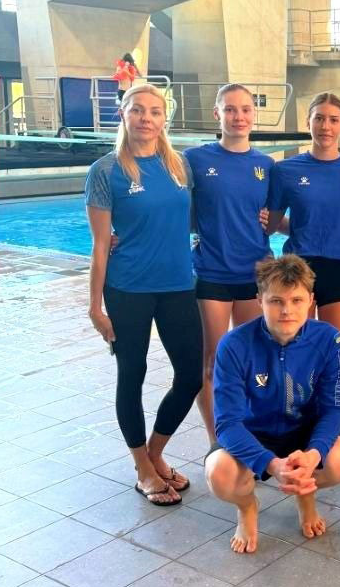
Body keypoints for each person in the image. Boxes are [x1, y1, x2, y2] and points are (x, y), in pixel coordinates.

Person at [85, 83, 200, 506]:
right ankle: (142, 468)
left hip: (178, 285)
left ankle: (154, 453)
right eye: (137, 110)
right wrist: (94, 306)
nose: (145, 118)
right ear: (123, 114)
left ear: (164, 118)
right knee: (131, 374)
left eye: (154, 111)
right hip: (128, 288)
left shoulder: (180, 166)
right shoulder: (105, 171)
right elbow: (100, 244)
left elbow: (192, 219)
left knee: (190, 375)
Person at [205, 255, 340, 551]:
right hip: (254, 433)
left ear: (311, 301)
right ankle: (247, 506)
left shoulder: (328, 339)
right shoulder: (234, 345)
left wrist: (312, 455)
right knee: (219, 474)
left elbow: (333, 410)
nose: (287, 310)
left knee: (339, 462)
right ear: (259, 300)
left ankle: (305, 492)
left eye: (296, 300)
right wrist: (271, 463)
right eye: (276, 301)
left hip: (303, 432)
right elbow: (227, 423)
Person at [183, 84, 275, 445]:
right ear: (217, 114)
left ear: (254, 114)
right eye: (230, 109)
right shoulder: (194, 159)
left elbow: (275, 215)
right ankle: (217, 442)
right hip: (212, 273)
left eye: (246, 109)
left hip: (255, 273)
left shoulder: (266, 165)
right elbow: (173, 206)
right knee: (213, 361)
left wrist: (269, 220)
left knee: (253, 361)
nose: (239, 117)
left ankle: (250, 434)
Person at [267, 92, 340, 364]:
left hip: (338, 270)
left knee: (338, 359)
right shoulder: (285, 170)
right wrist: (304, 230)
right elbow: (273, 222)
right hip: (297, 269)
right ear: (308, 122)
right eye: (319, 119)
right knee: (295, 357)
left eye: (333, 120)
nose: (326, 126)